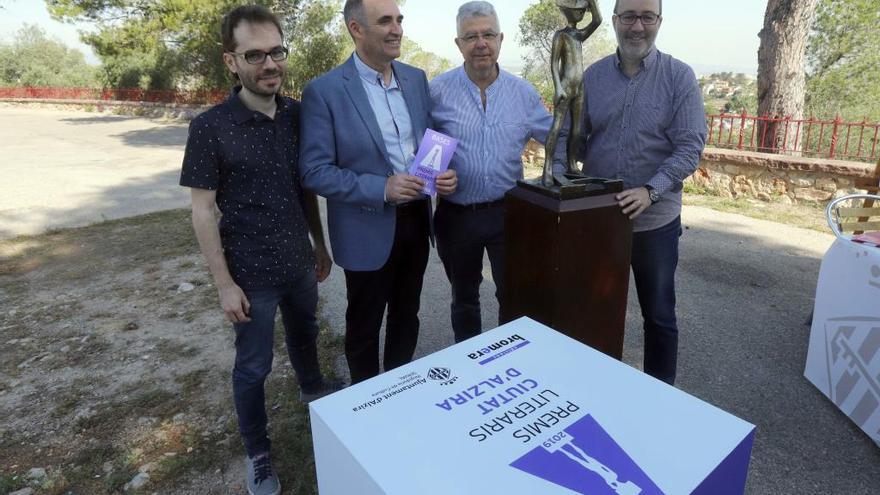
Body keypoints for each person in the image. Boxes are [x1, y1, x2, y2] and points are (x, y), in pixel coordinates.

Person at [179, 5, 341, 494]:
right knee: (253, 366)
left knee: (306, 332)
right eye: (255, 55)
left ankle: (312, 389)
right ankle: (258, 453)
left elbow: (306, 187)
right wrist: (224, 285)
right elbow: (203, 212)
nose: (269, 64)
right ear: (231, 61)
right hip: (250, 274)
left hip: (297, 261)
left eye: (276, 52)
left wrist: (319, 242)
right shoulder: (209, 128)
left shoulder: (298, 114)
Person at [299, 0, 458, 383]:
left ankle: (398, 390)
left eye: (399, 19)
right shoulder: (325, 91)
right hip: (365, 227)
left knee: (407, 314)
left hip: (417, 222)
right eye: (385, 21)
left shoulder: (416, 79)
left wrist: (442, 177)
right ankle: (365, 401)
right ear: (356, 29)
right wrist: (381, 188)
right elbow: (314, 171)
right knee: (364, 323)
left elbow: (426, 146)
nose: (397, 29)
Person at [579, 0, 707, 385]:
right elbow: (577, 140)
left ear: (659, 22)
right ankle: (598, 389)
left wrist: (650, 191)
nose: (638, 26)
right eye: (629, 17)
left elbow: (690, 146)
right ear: (615, 21)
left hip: (655, 223)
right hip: (601, 221)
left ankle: (659, 398)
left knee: (660, 317)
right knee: (597, 313)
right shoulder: (593, 77)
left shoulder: (679, 77)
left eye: (646, 17)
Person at [430, 1, 561, 343]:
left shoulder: (523, 94)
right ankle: (469, 365)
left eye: (488, 34)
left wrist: (552, 185)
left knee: (514, 297)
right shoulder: (438, 92)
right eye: (470, 36)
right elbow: (422, 153)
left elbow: (558, 141)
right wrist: (434, 179)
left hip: (509, 216)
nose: (481, 43)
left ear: (501, 39)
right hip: (457, 216)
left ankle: (510, 365)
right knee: (464, 300)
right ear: (458, 44)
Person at [541, 0, 601, 185]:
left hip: (579, 86)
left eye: (583, 11)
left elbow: (597, 20)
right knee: (557, 127)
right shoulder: (561, 36)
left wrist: (592, 3)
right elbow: (553, 63)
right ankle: (548, 168)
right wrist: (558, 87)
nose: (582, 14)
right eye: (579, 11)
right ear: (567, 12)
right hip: (565, 86)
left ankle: (572, 164)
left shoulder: (578, 35)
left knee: (576, 128)